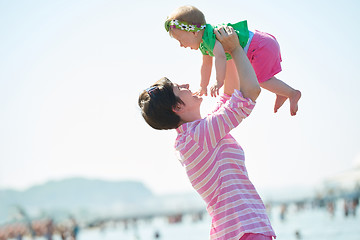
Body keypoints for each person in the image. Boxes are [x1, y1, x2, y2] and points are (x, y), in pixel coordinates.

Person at [138, 26, 275, 240]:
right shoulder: (197, 136)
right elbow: (249, 94)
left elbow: (229, 94)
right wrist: (237, 49)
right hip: (244, 229)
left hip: (239, 230)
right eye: (178, 88)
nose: (185, 84)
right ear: (177, 107)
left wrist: (223, 48)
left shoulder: (192, 136)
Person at [165, 5, 301, 116]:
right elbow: (206, 65)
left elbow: (220, 58)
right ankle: (281, 92)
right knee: (262, 78)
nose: (181, 45)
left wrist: (219, 82)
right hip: (260, 44)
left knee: (259, 80)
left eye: (180, 40)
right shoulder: (204, 43)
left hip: (260, 47)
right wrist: (203, 86)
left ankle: (292, 93)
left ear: (194, 32)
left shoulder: (211, 37)